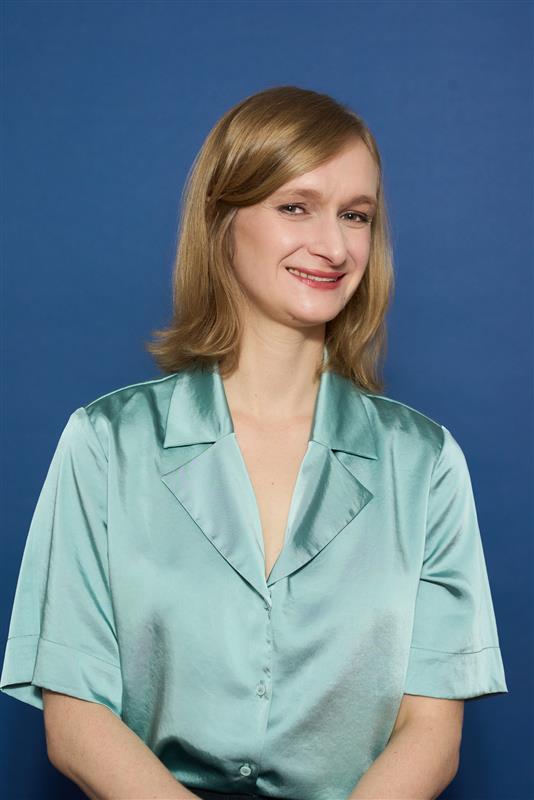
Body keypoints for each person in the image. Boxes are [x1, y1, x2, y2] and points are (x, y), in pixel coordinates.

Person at [0, 86, 508, 800]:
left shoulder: (426, 464)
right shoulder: (105, 444)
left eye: (356, 215)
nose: (334, 246)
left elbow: (431, 731)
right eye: (296, 206)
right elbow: (76, 717)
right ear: (222, 219)